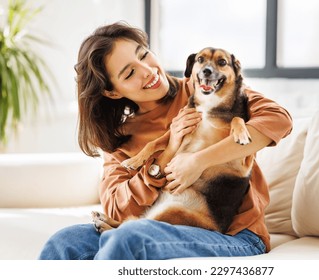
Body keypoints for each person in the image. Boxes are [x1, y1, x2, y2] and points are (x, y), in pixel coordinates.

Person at [38, 21, 292, 260]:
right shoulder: (121, 138)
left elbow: (278, 119)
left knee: (130, 238)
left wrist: (197, 162)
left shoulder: (205, 87)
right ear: (112, 92)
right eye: (129, 73)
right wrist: (167, 153)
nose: (148, 71)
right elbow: (118, 210)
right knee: (66, 241)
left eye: (143, 54)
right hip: (157, 226)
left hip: (233, 235)